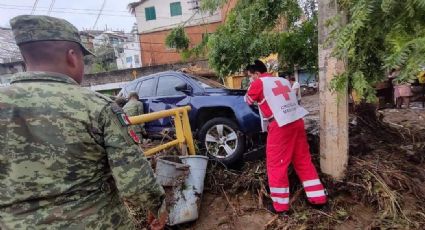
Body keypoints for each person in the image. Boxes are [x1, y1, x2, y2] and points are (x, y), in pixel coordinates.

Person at [0, 15, 166, 229]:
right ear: (72, 57)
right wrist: (156, 206)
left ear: (25, 57)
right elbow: (135, 182)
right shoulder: (98, 107)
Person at [245, 60, 327, 215]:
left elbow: (248, 100)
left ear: (257, 73)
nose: (250, 79)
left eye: (250, 76)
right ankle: (318, 198)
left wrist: (251, 86)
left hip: (280, 125)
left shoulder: (259, 83)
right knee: (303, 160)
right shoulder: (283, 80)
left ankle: (280, 206)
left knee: (276, 164)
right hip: (297, 122)